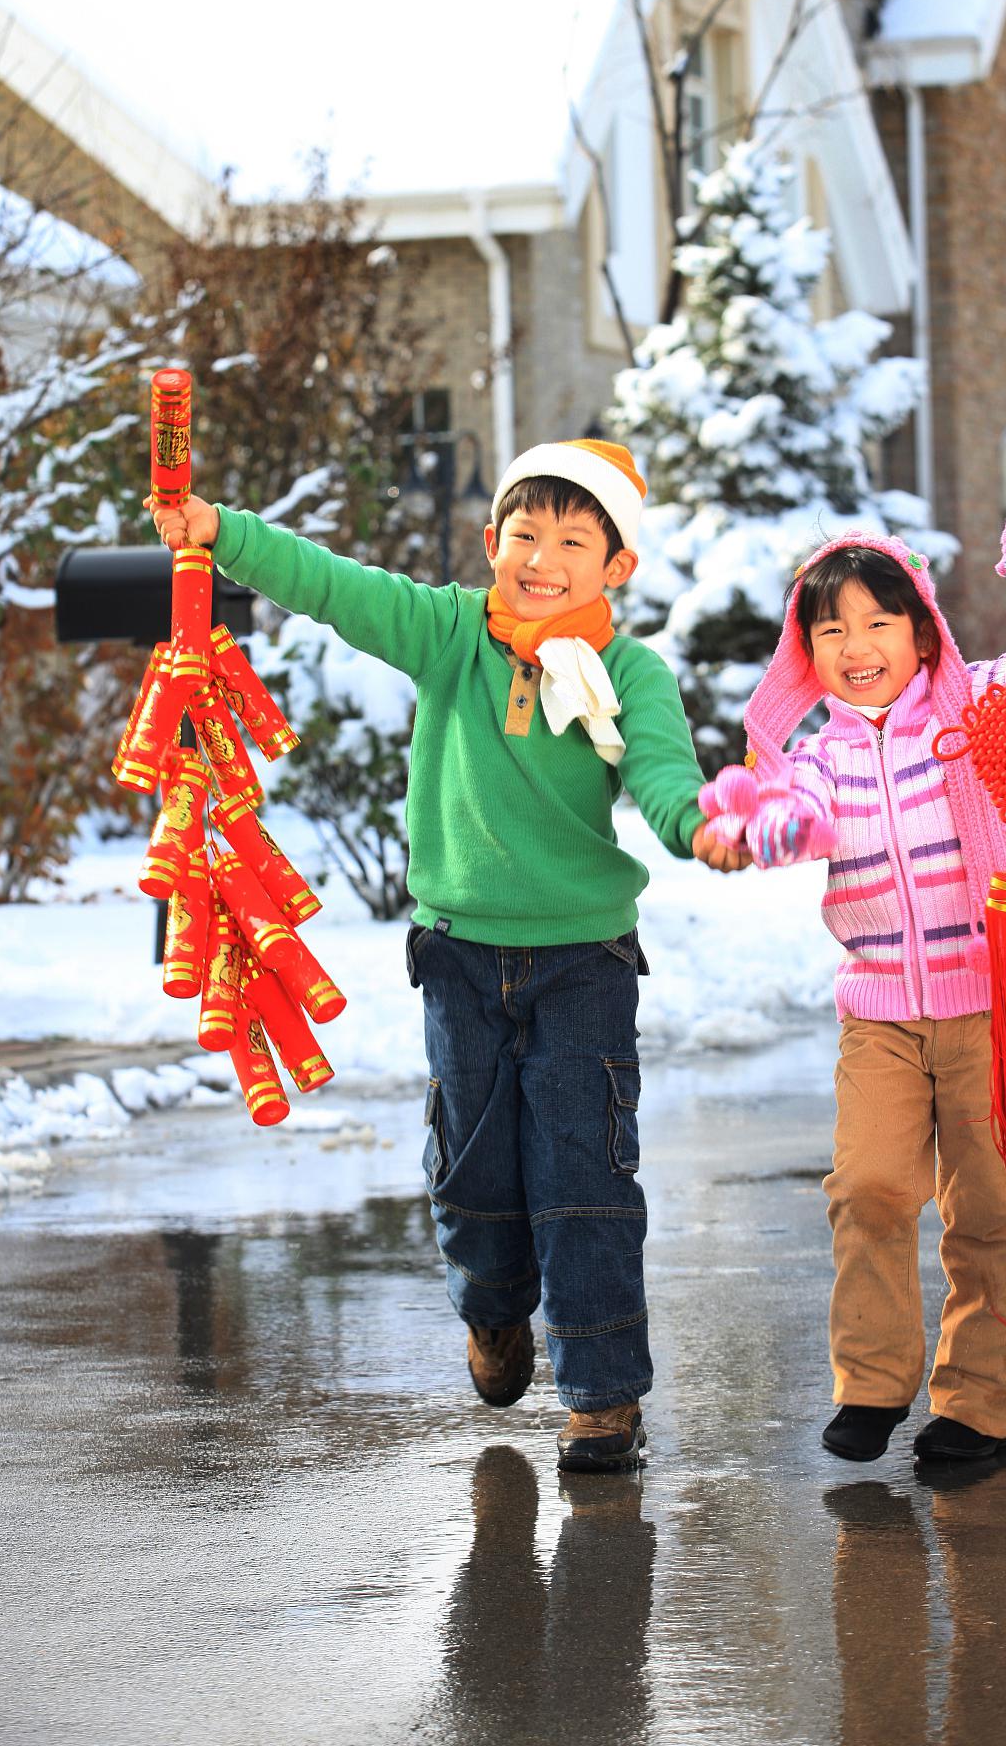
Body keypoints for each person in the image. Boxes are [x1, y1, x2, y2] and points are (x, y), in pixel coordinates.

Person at [148, 438, 740, 1473]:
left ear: (617, 567)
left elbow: (659, 769)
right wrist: (221, 532)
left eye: (571, 538)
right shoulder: (451, 634)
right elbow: (336, 587)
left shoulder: (631, 672)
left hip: (582, 962)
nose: (541, 557)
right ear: (490, 543)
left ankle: (603, 1395)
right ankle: (493, 1307)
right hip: (461, 957)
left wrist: (698, 826)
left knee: (585, 1173)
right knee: (474, 1171)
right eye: (524, 533)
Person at [698, 520, 1006, 1465]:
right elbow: (801, 814)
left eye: (877, 622)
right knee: (866, 1185)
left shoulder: (974, 709)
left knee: (986, 1206)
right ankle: (871, 1385)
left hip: (990, 1004)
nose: (856, 647)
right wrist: (776, 828)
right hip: (879, 1013)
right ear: (805, 655)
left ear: (919, 630)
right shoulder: (821, 757)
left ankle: (976, 1407)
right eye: (830, 632)